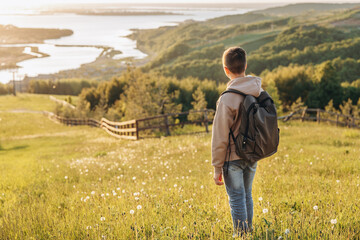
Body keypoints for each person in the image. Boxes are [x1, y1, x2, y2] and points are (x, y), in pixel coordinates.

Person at [211, 46, 263, 237]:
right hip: (252, 153)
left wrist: (217, 166)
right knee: (247, 194)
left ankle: (242, 235)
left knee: (236, 198)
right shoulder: (258, 91)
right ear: (245, 65)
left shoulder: (227, 99)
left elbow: (220, 136)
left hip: (233, 158)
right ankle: (248, 232)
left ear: (226, 70)